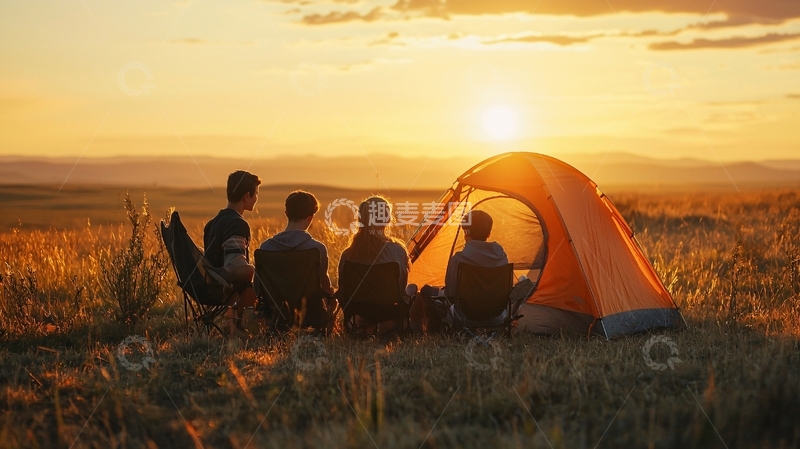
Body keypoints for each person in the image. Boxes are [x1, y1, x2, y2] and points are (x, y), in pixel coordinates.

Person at [418, 209, 508, 332]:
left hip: (465, 317)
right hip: (496, 316)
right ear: (489, 233)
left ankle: (435, 334)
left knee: (426, 290)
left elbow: (450, 295)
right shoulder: (501, 257)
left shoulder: (459, 259)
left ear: (466, 232)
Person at [337, 195, 416, 332]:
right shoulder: (397, 251)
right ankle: (402, 327)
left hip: (358, 308)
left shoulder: (347, 255)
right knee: (413, 288)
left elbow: (343, 288)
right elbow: (401, 286)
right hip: (388, 309)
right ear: (387, 219)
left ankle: (364, 324)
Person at [259, 190, 337, 329]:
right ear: (310, 218)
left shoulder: (266, 248)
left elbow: (259, 288)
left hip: (276, 314)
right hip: (310, 314)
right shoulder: (317, 249)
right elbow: (325, 287)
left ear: (286, 213)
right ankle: (326, 331)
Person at [203, 170, 260, 335]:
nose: (256, 198)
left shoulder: (212, 223)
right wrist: (254, 271)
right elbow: (234, 265)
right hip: (223, 288)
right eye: (256, 194)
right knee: (252, 274)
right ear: (246, 196)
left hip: (209, 286)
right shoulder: (238, 224)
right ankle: (244, 328)